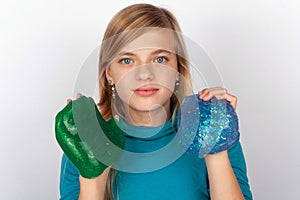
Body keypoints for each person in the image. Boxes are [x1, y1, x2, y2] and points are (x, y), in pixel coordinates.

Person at [57, 3, 252, 200]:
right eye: (127, 60)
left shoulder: (211, 131)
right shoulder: (85, 140)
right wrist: (93, 173)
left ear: (177, 70)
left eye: (159, 59)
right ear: (109, 74)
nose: (145, 74)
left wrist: (213, 146)